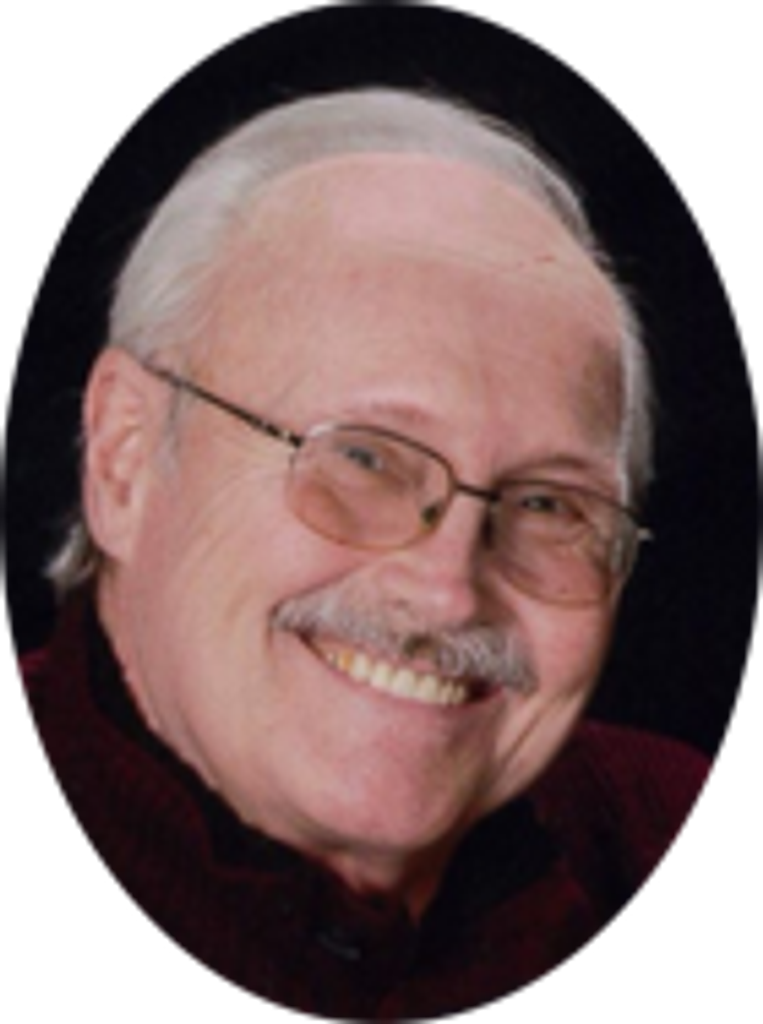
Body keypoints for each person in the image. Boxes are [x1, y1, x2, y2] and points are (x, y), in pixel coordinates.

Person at [14, 88, 714, 1018]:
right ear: (125, 460)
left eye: (547, 503)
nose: (446, 592)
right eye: (363, 459)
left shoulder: (661, 826)